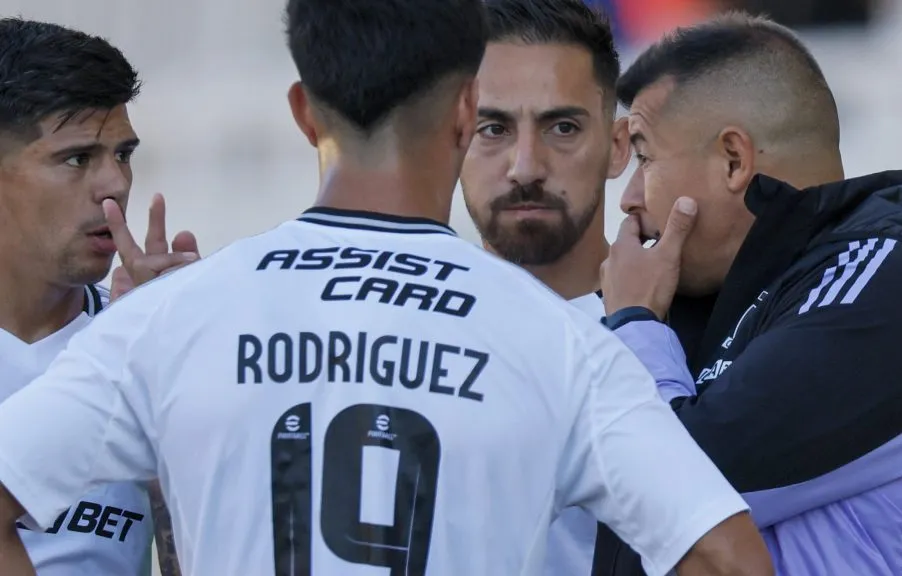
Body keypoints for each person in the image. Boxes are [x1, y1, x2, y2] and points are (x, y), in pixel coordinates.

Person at [0, 2, 772, 575]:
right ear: (466, 112)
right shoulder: (558, 341)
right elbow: (729, 561)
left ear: (304, 113)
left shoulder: (173, 318)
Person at [592, 11, 902, 576]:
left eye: (644, 157)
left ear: (734, 160)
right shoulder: (721, 293)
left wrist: (635, 323)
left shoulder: (892, 292)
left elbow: (675, 491)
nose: (629, 197)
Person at [0, 18, 193, 576]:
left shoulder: (140, 336)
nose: (115, 184)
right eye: (78, 158)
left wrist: (173, 380)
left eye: (124, 154)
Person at [460, 1, 632, 573]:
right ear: (450, 140)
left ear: (618, 146)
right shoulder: (393, 333)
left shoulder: (701, 333)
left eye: (562, 127)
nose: (526, 166)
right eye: (493, 128)